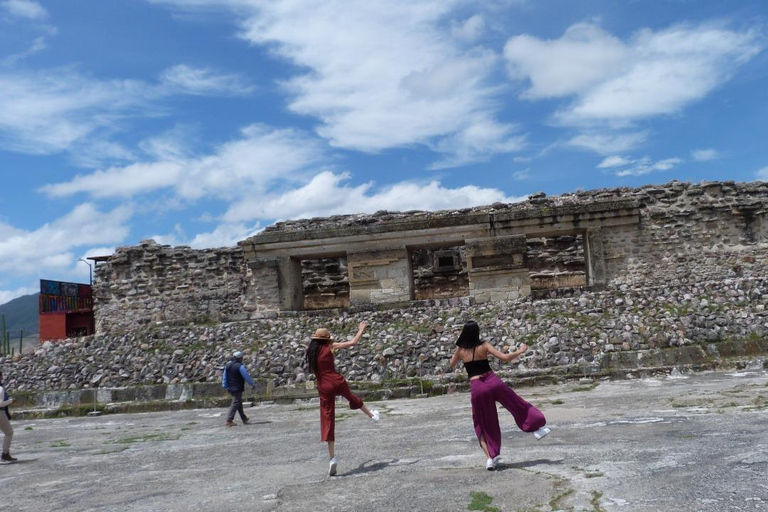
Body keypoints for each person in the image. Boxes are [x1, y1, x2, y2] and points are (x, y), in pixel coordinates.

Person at [450, 320, 550, 470]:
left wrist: (460, 351)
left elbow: (451, 364)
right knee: (516, 404)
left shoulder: (461, 350)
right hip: (492, 381)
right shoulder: (484, 345)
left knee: (484, 421)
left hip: (477, 387)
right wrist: (520, 351)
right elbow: (504, 358)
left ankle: (491, 457)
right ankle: (537, 428)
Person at [306, 321, 379, 476]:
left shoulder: (311, 352)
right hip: (337, 381)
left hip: (324, 386)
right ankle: (371, 415)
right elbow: (353, 342)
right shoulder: (330, 347)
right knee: (351, 397)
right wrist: (360, 329)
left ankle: (332, 458)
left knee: (327, 417)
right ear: (327, 339)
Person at [222, 351, 255, 427]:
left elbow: (224, 376)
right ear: (240, 358)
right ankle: (229, 420)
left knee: (238, 403)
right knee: (235, 403)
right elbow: (246, 376)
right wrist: (252, 384)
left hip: (229, 387)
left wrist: (225, 385)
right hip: (237, 387)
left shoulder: (228, 365)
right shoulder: (240, 366)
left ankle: (244, 418)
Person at [0, 371, 17, 462]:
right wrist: (11, 401)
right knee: (9, 432)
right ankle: (5, 453)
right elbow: (0, 404)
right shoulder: (0, 389)